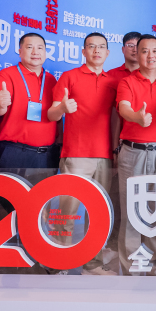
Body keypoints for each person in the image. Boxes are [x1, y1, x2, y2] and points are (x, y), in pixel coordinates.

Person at [48, 32, 120, 275]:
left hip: (105, 155)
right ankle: (60, 261)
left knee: (98, 214)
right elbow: (51, 114)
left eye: (101, 47)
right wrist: (62, 107)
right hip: (76, 154)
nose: (96, 51)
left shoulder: (113, 81)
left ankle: (93, 262)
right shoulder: (69, 77)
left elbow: (116, 117)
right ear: (83, 51)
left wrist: (114, 149)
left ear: (108, 53)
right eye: (91, 46)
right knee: (67, 212)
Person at [116, 34, 156, 275]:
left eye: (155, 51)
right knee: (131, 209)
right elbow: (124, 108)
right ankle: (132, 264)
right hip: (133, 152)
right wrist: (137, 117)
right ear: (137, 54)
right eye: (144, 51)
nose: (150, 55)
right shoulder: (127, 82)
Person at [0, 33, 60, 170]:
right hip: (14, 153)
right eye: (29, 47)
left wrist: (59, 142)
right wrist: (0, 103)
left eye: (40, 48)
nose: (35, 52)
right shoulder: (7, 75)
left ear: (45, 53)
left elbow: (57, 114)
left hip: (47, 154)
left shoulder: (51, 80)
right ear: (20, 51)